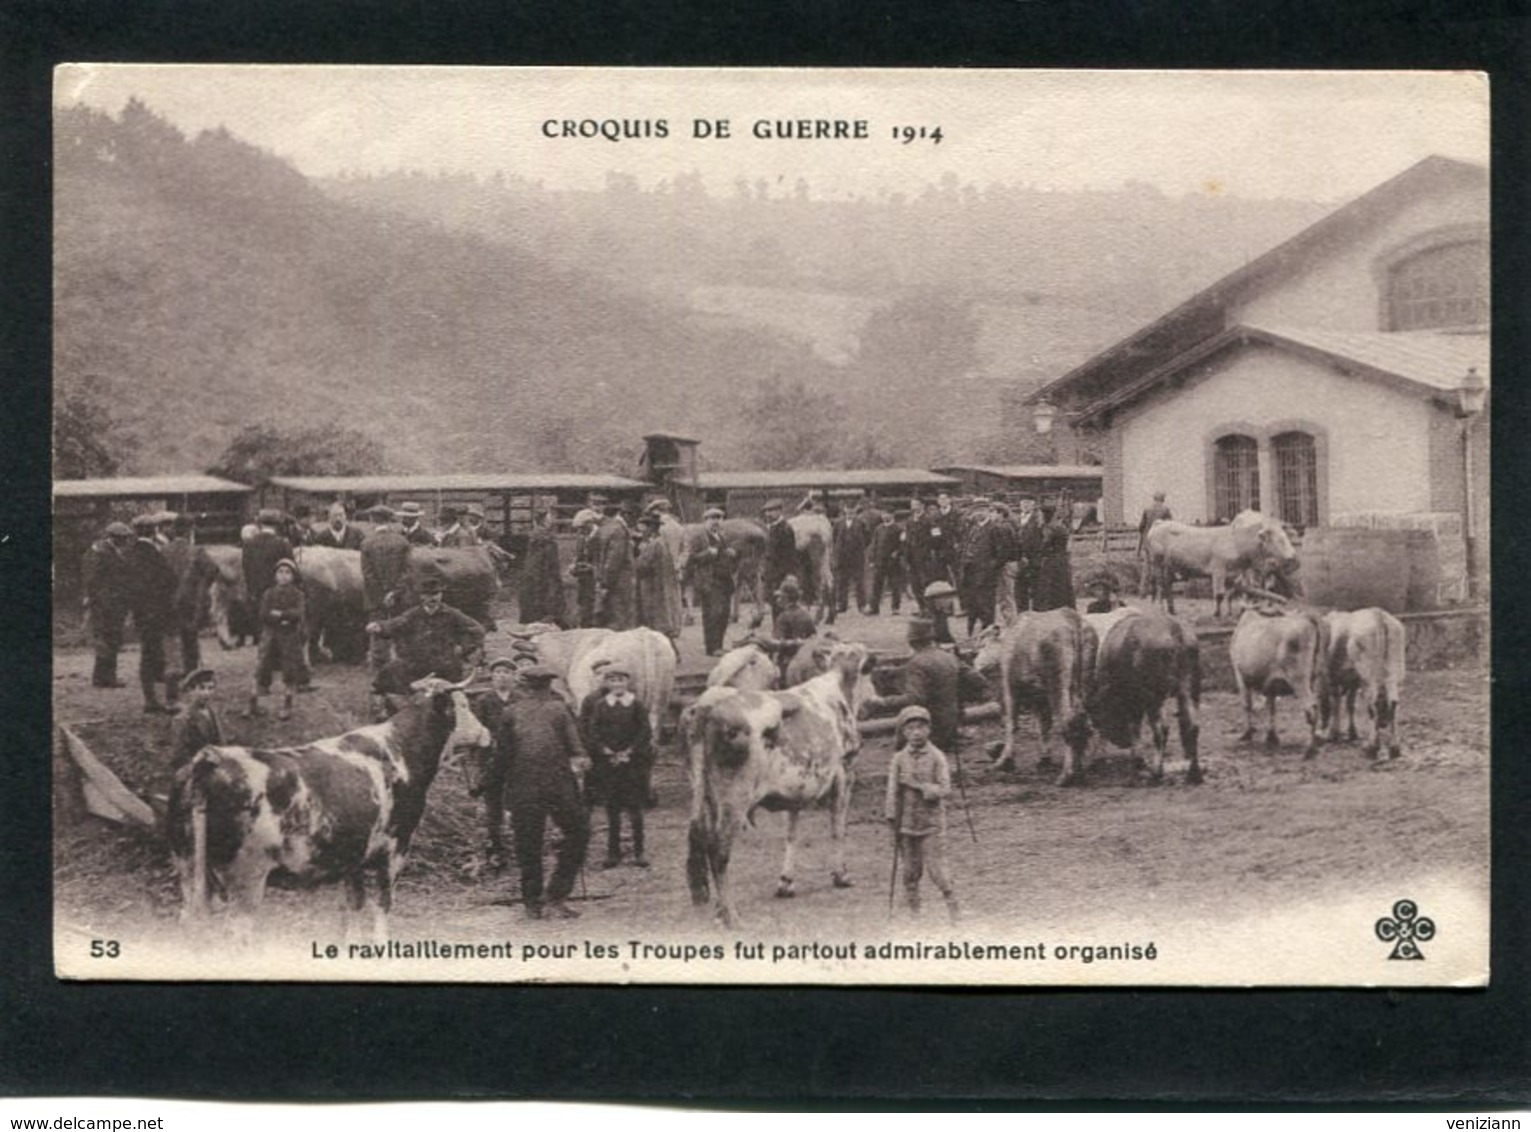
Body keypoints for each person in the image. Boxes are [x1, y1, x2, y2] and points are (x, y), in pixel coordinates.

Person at [495, 664, 591, 920]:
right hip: (558, 786)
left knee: (528, 844)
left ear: (522, 687)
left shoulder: (510, 713)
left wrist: (486, 785)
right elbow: (578, 751)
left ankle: (533, 902)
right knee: (579, 833)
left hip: (524, 788)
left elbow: (500, 758)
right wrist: (581, 765)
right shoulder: (559, 710)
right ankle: (556, 895)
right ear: (549, 686)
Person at [884, 705, 960, 924]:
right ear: (903, 733)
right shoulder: (899, 759)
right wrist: (891, 819)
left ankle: (953, 907)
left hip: (931, 825)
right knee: (910, 872)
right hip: (906, 825)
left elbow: (945, 789)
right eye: (910, 729)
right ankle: (915, 914)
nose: (916, 733)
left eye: (921, 727)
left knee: (938, 871)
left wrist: (919, 786)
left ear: (929, 730)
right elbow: (892, 791)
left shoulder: (937, 757)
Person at [578, 665, 654, 869]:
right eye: (613, 681)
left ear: (627, 683)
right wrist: (606, 751)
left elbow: (645, 731)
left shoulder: (636, 704)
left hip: (632, 763)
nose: (618, 684)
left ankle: (639, 851)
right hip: (609, 764)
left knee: (635, 808)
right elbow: (593, 731)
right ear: (607, 684)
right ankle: (613, 853)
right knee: (612, 808)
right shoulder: (601, 705)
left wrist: (630, 752)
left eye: (621, 680)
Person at [878, 618, 988, 757]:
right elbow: (978, 680)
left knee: (906, 713)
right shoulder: (949, 657)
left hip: (932, 731)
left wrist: (883, 702)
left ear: (912, 642)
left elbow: (915, 698)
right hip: (952, 726)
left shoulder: (917, 663)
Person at [366, 574, 486, 701]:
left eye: (436, 594)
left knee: (452, 695)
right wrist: (379, 626)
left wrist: (465, 649)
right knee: (388, 673)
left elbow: (477, 630)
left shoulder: (452, 614)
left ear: (441, 595)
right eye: (428, 595)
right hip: (418, 664)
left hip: (446, 665)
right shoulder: (413, 614)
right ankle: (382, 704)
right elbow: (396, 624)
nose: (433, 598)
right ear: (422, 596)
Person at [126, 514, 182, 714]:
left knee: (147, 654)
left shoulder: (130, 554)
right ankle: (166, 700)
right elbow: (171, 580)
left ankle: (150, 698)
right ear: (154, 531)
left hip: (141, 614)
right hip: (160, 614)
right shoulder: (155, 554)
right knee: (164, 656)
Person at [471, 656, 524, 869]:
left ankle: (521, 846)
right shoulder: (484, 701)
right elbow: (477, 728)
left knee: (519, 801)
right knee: (493, 803)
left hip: (517, 757)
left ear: (514, 677)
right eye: (498, 672)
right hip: (491, 758)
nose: (502, 676)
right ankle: (496, 848)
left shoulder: (521, 699)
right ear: (492, 677)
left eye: (507, 672)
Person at [250, 559, 310, 720]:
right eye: (280, 572)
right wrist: (282, 617)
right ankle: (253, 704)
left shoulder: (298, 595)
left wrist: (280, 614)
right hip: (270, 638)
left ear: (293, 576)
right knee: (262, 669)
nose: (283, 576)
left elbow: (298, 614)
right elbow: (264, 614)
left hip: (289, 638)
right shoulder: (268, 593)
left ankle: (287, 705)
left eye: (287, 572)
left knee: (289, 672)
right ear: (275, 575)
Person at [82, 521, 134, 689]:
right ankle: (105, 678)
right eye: (124, 538)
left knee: (111, 639)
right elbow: (93, 580)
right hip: (106, 605)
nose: (126, 541)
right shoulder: (102, 552)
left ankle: (104, 677)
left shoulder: (108, 551)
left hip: (113, 603)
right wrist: (97, 600)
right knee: (107, 640)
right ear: (115, 538)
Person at [359, 505, 411, 672]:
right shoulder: (403, 542)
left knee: (378, 631)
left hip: (375, 598)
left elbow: (367, 574)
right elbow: (407, 571)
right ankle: (402, 666)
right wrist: (394, 592)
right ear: (390, 520)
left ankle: (380, 670)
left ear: (373, 520)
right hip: (400, 597)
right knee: (400, 629)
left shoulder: (366, 543)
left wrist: (382, 594)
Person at [689, 507, 737, 656]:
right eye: (712, 519)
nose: (715, 522)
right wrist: (708, 553)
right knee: (713, 614)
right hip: (709, 581)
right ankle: (712, 647)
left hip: (725, 581)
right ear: (705, 521)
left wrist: (732, 554)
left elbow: (727, 555)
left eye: (718, 519)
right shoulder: (698, 537)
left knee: (724, 614)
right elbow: (692, 558)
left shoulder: (722, 537)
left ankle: (719, 645)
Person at [241, 509, 294, 637]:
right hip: (278, 594)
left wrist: (251, 592)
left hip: (256, 595)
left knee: (262, 633)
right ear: (276, 525)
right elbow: (291, 569)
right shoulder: (283, 544)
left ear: (260, 524)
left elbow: (246, 569)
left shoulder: (248, 544)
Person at [957, 499, 1004, 635]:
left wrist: (990, 569)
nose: (979, 513)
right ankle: (971, 633)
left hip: (986, 576)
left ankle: (988, 633)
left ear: (988, 511)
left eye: (982, 510)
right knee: (973, 604)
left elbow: (1000, 554)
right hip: (970, 572)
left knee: (986, 605)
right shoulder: (973, 528)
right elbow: (966, 547)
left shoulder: (995, 528)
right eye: (977, 511)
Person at [635, 511, 682, 641]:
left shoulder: (653, 545)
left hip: (653, 589)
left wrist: (636, 558)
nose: (641, 531)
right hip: (660, 587)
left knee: (656, 623)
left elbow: (642, 566)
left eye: (643, 527)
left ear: (650, 528)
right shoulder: (660, 542)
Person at [518, 508, 568, 627]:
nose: (552, 520)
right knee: (545, 598)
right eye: (549, 518)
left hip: (539, 572)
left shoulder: (540, 534)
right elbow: (544, 560)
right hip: (542, 573)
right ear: (544, 520)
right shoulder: (542, 536)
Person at [168, 668, 224, 771]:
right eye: (202, 688)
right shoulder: (182, 719)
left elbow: (220, 743)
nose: (206, 693)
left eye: (210, 688)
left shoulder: (212, 712)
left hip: (216, 765)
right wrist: (201, 760)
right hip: (194, 770)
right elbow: (177, 758)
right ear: (191, 691)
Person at [596, 502, 637, 630]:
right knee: (621, 616)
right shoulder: (619, 530)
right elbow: (615, 559)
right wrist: (607, 581)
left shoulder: (608, 527)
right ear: (626, 515)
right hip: (620, 581)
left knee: (613, 614)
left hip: (613, 580)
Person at [760, 498, 798, 629]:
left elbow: (790, 555)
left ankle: (782, 636)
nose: (768, 514)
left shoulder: (785, 529)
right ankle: (779, 635)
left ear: (780, 511)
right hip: (772, 575)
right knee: (775, 607)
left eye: (771, 511)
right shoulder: (771, 529)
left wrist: (789, 575)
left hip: (781, 575)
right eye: (767, 511)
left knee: (781, 607)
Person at [1032, 499, 1076, 612]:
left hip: (1053, 562)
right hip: (1061, 561)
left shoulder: (1052, 529)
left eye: (1040, 515)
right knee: (1061, 587)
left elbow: (1044, 546)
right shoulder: (1059, 527)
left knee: (1051, 588)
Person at [869, 509, 910, 615]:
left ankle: (895, 607)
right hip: (880, 561)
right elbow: (874, 544)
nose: (884, 516)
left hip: (893, 562)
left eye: (887, 514)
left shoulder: (898, 529)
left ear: (892, 515)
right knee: (876, 585)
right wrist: (872, 558)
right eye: (883, 514)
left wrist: (897, 552)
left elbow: (903, 544)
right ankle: (874, 608)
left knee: (895, 585)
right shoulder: (879, 529)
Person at [831, 502, 868, 616]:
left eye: (852, 512)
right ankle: (842, 605)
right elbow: (834, 537)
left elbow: (867, 537)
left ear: (856, 511)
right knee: (842, 582)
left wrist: (860, 549)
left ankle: (861, 605)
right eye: (848, 511)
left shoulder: (861, 523)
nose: (850, 513)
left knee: (859, 582)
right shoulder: (838, 523)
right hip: (842, 557)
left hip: (856, 557)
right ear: (844, 510)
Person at [568, 509, 601, 629]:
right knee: (583, 601)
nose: (580, 531)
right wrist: (574, 564)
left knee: (596, 603)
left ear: (589, 524)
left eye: (582, 527)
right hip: (584, 576)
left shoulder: (600, 536)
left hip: (596, 576)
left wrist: (593, 567)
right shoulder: (582, 536)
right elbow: (578, 554)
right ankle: (585, 625)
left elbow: (603, 558)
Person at [1137, 490, 1172, 592]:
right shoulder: (1165, 510)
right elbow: (1170, 526)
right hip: (1160, 542)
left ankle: (1143, 591)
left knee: (1147, 566)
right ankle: (1160, 589)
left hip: (1148, 541)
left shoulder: (1147, 510)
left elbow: (1141, 527)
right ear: (1163, 499)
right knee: (1160, 565)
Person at [921, 581, 959, 646]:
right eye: (946, 598)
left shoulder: (940, 615)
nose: (950, 600)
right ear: (935, 600)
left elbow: (946, 638)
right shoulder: (929, 619)